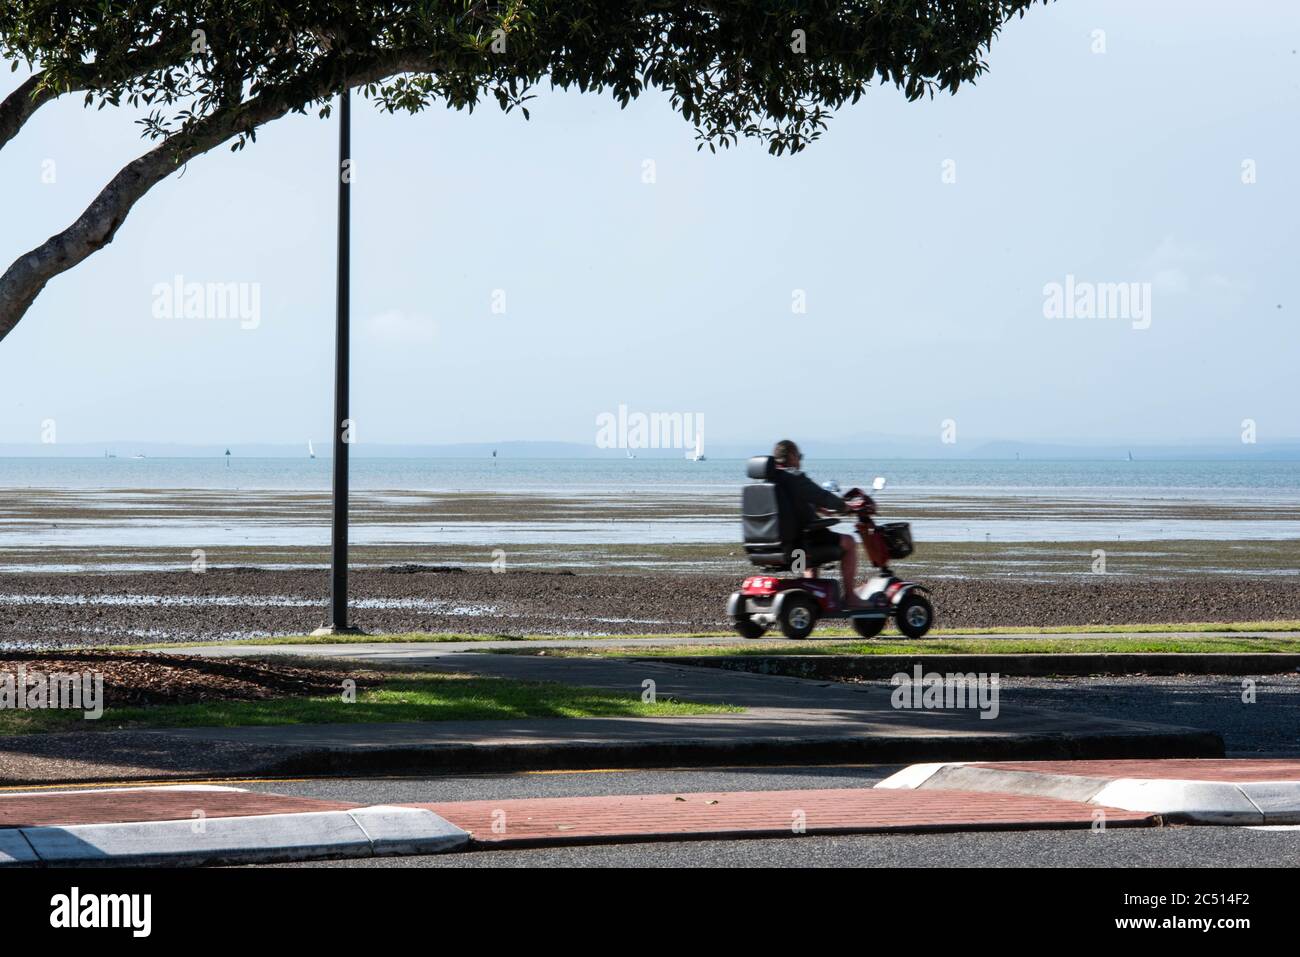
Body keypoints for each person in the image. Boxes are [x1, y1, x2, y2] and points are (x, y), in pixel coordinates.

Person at [769, 439, 865, 606]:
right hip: (796, 548)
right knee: (849, 543)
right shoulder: (793, 477)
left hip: (770, 548)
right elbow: (822, 495)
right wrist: (845, 507)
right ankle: (850, 597)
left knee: (808, 545)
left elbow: (789, 507)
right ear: (792, 456)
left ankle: (810, 596)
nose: (799, 461)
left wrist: (815, 507)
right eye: (799, 456)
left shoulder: (768, 482)